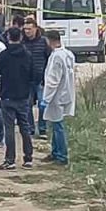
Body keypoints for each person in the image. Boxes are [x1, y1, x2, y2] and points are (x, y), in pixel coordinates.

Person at [0, 27, 35, 170]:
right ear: (21, 37)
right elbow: (34, 73)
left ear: (8, 37)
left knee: (9, 128)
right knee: (25, 127)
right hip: (23, 95)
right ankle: (28, 158)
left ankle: (10, 160)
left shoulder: (4, 55)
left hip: (7, 95)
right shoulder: (27, 54)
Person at [41, 30, 76, 165]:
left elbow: (53, 79)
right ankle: (55, 152)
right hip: (66, 93)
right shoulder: (68, 54)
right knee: (55, 124)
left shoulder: (56, 57)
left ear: (49, 40)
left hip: (57, 95)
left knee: (57, 125)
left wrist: (46, 97)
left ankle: (62, 155)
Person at [20, 17, 51, 138]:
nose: (27, 32)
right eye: (25, 29)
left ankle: (42, 129)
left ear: (36, 29)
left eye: (30, 29)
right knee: (27, 106)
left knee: (43, 104)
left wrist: (47, 77)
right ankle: (30, 129)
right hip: (27, 81)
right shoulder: (22, 44)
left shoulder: (43, 42)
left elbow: (49, 59)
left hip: (41, 79)